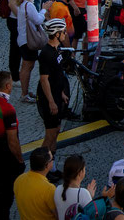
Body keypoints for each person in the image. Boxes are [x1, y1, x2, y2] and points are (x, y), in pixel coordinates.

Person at [36, 19, 71, 182]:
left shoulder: (56, 50)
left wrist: (62, 93)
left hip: (57, 95)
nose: (65, 34)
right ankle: (41, 168)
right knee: (49, 135)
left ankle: (53, 167)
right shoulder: (46, 53)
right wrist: (51, 101)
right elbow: (44, 79)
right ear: (57, 34)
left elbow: (57, 75)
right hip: (48, 99)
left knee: (56, 131)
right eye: (63, 32)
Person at [0, 71, 25, 219]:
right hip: (4, 159)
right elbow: (13, 141)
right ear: (7, 86)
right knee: (5, 198)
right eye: (11, 83)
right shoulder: (7, 109)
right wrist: (20, 160)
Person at [16, 0, 50, 103]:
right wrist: (44, 9)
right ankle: (24, 94)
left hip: (24, 40)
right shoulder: (28, 5)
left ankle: (25, 91)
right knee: (27, 67)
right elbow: (38, 20)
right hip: (28, 41)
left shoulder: (22, 4)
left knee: (27, 67)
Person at [14, 146, 57, 220]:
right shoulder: (49, 189)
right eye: (52, 159)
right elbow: (58, 214)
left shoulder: (19, 179)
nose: (53, 160)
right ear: (47, 165)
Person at [54, 154, 99, 220]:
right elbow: (92, 216)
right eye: (84, 169)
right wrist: (90, 196)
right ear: (80, 173)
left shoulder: (57, 189)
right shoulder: (83, 193)